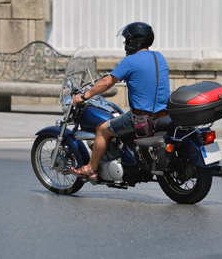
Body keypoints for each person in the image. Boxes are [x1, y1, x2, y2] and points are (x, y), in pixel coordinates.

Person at [70, 22, 170, 179]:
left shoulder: (130, 61)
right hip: (162, 115)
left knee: (102, 129)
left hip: (140, 118)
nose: (125, 43)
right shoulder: (159, 57)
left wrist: (84, 96)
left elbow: (106, 82)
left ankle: (91, 168)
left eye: (127, 39)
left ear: (134, 41)